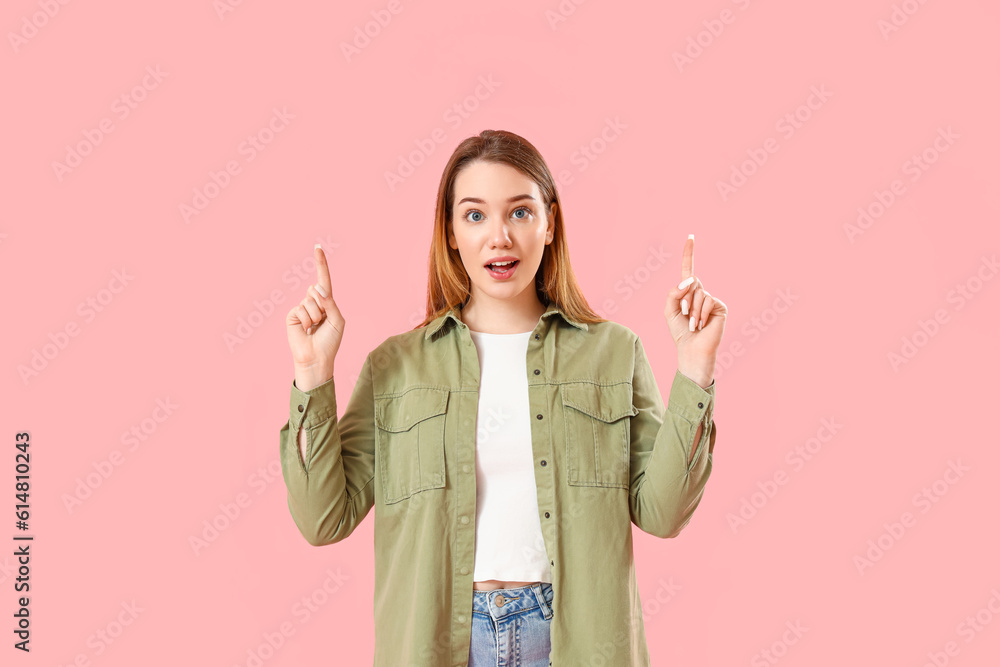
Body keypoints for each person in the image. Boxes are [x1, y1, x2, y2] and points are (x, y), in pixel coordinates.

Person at [279, 129, 727, 666]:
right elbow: (322, 517)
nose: (499, 237)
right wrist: (312, 371)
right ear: (450, 232)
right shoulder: (395, 367)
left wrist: (695, 370)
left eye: (519, 212)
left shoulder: (613, 353)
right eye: (474, 215)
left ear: (549, 222)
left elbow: (663, 513)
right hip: (437, 643)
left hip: (572, 643)